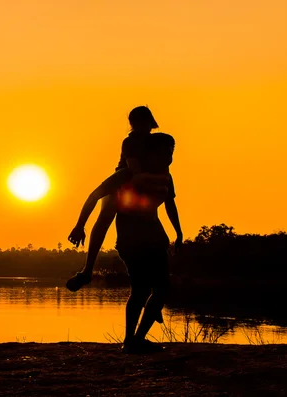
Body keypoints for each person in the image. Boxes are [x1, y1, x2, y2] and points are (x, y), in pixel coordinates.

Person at [71, 133, 183, 353]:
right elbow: (94, 196)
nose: (168, 158)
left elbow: (170, 204)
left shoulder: (165, 177)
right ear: (149, 154)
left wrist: (178, 232)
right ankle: (129, 339)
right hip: (131, 240)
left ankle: (138, 339)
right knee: (140, 289)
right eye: (163, 153)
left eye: (171, 153)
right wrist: (79, 225)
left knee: (161, 289)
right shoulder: (125, 176)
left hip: (156, 239)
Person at [66, 106, 169, 292]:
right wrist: (80, 225)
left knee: (151, 223)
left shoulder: (157, 141)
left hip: (145, 185)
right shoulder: (129, 144)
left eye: (144, 124)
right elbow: (94, 196)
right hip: (125, 179)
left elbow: (163, 165)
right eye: (136, 124)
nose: (141, 128)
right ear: (132, 124)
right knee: (105, 217)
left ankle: (155, 293)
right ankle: (87, 271)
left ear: (150, 123)